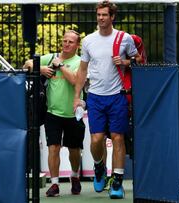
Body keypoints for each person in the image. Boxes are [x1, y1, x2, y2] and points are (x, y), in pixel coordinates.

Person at [73, 1, 142, 199]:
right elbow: (83, 69)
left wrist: (126, 61)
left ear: (112, 17)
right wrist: (77, 97)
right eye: (99, 15)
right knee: (96, 139)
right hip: (94, 96)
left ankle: (117, 182)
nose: (101, 18)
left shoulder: (124, 38)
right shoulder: (88, 41)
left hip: (118, 96)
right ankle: (99, 167)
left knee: (118, 137)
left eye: (105, 15)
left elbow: (139, 60)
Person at [24, 30, 85, 197]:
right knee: (53, 148)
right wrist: (41, 68)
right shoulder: (50, 58)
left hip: (73, 114)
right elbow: (27, 64)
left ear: (77, 45)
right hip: (52, 113)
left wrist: (60, 66)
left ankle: (74, 176)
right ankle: (55, 184)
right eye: (64, 40)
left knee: (74, 150)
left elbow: (75, 80)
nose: (66, 44)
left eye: (70, 42)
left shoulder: (80, 62)